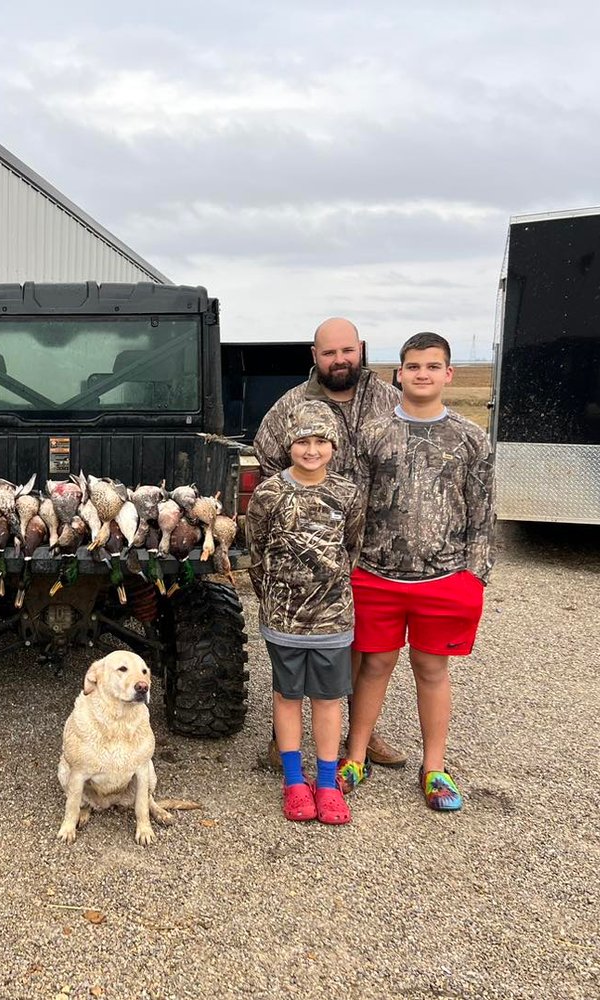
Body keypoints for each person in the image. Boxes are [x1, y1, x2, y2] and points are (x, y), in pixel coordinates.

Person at [341, 332, 495, 811]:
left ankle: (434, 767)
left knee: (431, 668)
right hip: (376, 575)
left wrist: (475, 575)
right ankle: (355, 754)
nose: (422, 374)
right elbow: (355, 506)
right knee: (374, 664)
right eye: (413, 366)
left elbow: (482, 512)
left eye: (432, 366)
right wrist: (347, 567)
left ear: (448, 374)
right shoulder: (373, 434)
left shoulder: (471, 438)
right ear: (399, 373)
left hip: (444, 578)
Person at [253, 317, 405, 769]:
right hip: (306, 553)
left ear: (360, 349)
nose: (339, 360)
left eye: (347, 351)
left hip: (373, 545)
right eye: (328, 352)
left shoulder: (390, 402)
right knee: (297, 648)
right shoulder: (292, 404)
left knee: (357, 648)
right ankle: (285, 743)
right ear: (314, 357)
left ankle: (361, 733)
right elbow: (266, 462)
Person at [247, 401, 364, 825]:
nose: (311, 450)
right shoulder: (269, 494)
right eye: (302, 441)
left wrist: (329, 590)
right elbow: (256, 552)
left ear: (333, 445)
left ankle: (328, 783)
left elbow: (351, 548)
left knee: (329, 700)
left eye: (320, 441)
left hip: (333, 620)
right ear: (289, 445)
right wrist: (274, 598)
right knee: (287, 696)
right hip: (284, 621)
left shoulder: (348, 494)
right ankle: (295, 781)